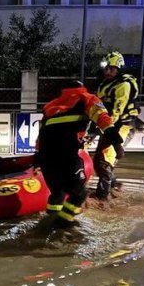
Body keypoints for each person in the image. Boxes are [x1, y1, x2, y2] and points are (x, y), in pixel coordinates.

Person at [36, 80, 122, 229]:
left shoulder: (49, 106)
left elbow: (41, 134)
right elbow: (104, 120)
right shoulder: (86, 98)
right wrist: (117, 143)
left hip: (45, 154)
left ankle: (48, 221)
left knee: (57, 192)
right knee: (80, 193)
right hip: (67, 151)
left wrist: (37, 158)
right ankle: (62, 224)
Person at [92, 51, 140, 200]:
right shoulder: (104, 84)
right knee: (98, 160)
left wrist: (99, 129)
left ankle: (102, 197)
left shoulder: (123, 85)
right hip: (110, 126)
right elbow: (97, 107)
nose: (107, 72)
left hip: (122, 126)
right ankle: (115, 185)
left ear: (119, 69)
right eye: (106, 68)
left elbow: (116, 112)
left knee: (105, 160)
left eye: (111, 69)